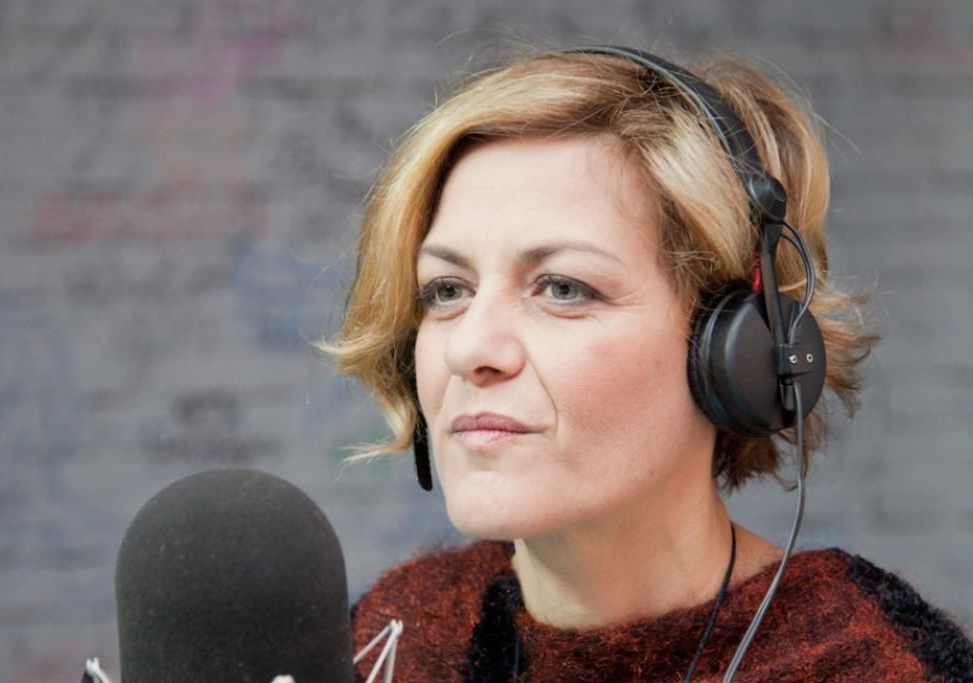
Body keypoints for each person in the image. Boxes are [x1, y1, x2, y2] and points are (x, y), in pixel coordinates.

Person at [322, 46, 973, 682]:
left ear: (737, 350)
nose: (469, 349)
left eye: (563, 288)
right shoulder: (395, 637)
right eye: (446, 291)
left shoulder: (871, 663)